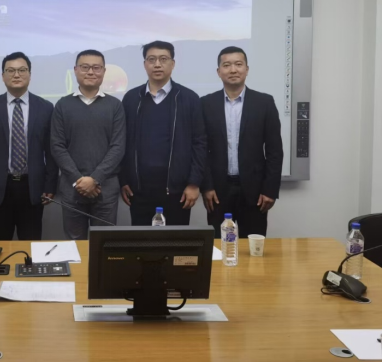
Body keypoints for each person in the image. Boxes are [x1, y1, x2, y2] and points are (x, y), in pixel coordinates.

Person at [120, 41, 206, 226]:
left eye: (163, 59)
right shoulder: (131, 99)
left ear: (172, 64)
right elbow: (123, 142)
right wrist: (124, 179)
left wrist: (194, 183)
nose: (157, 64)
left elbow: (200, 143)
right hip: (139, 190)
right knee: (142, 241)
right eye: (151, 59)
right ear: (145, 64)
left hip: (178, 191)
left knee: (175, 241)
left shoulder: (189, 98)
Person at [201, 46, 283, 237]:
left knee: (253, 247)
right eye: (227, 65)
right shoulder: (205, 104)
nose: (233, 70)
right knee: (218, 246)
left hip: (255, 191)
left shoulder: (264, 103)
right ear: (218, 71)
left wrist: (270, 190)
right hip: (217, 191)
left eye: (238, 64)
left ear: (247, 69)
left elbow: (274, 150)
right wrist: (207, 186)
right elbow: (201, 149)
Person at [0, 52, 58, 240]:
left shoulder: (45, 108)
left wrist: (50, 184)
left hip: (33, 187)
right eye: (10, 70)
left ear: (30, 74)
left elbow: (51, 151)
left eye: (22, 70)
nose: (16, 75)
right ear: (3, 76)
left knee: (30, 244)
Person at [51, 50, 125, 240]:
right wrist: (79, 180)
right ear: (76, 70)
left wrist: (95, 179)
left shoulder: (115, 106)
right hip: (72, 188)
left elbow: (118, 147)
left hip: (106, 188)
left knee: (104, 244)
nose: (90, 72)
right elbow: (57, 146)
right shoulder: (62, 105)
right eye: (85, 67)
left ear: (104, 71)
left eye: (96, 68)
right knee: (74, 245)